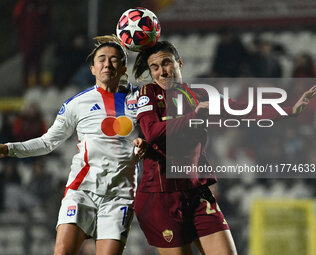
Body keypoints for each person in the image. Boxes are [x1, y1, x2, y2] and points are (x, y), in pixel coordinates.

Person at [132, 40, 316, 255]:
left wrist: (289, 110)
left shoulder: (199, 96)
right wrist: (194, 116)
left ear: (179, 63)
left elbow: (243, 109)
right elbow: (152, 132)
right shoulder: (148, 94)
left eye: (166, 63)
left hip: (196, 192)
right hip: (162, 196)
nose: (162, 72)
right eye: (154, 67)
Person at [0, 35, 146, 255]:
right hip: (82, 191)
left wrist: (146, 144)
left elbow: (158, 134)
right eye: (101, 59)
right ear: (92, 69)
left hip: (120, 195)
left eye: (114, 59)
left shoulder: (140, 101)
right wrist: (9, 148)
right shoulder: (76, 104)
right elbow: (48, 142)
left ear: (124, 68)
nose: (107, 64)